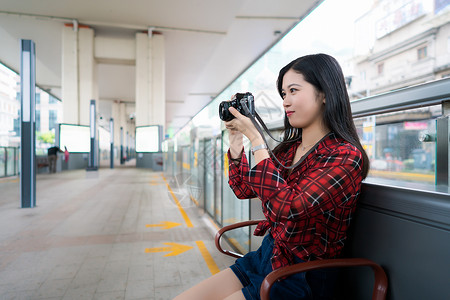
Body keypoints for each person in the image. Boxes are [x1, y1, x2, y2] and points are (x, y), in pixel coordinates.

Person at [174, 53, 369, 300]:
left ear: (325, 94)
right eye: (284, 94)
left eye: (294, 90)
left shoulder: (345, 156)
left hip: (302, 276)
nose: (286, 101)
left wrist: (257, 140)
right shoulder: (289, 151)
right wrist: (236, 142)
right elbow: (243, 189)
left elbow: (288, 208)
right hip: (267, 257)